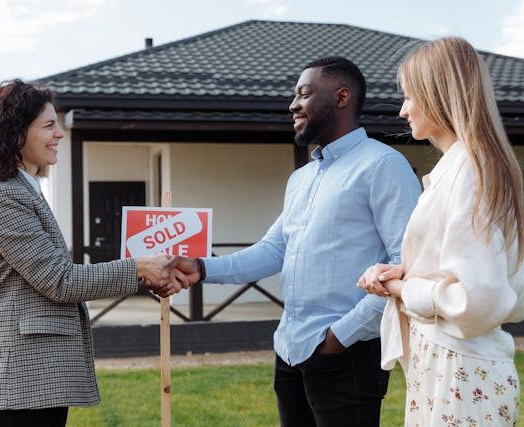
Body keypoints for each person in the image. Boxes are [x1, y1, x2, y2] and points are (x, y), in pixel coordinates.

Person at [164, 57, 422, 426]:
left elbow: (408, 266)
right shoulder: (301, 178)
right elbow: (273, 250)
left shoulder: (383, 167)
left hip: (346, 354)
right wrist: (202, 268)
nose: (292, 105)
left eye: (304, 94)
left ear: (342, 97)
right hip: (290, 350)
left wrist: (338, 337)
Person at [0, 79, 182, 427]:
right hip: (15, 385)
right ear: (16, 133)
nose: (59, 135)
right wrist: (139, 266)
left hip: (29, 382)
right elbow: (60, 281)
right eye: (49, 126)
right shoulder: (5, 196)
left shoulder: (22, 190)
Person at [357, 37, 524, 426]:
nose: (402, 110)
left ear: (439, 95)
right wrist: (405, 274)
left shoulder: (469, 171)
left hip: (460, 372)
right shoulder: (469, 166)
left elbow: (476, 298)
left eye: (410, 96)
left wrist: (401, 289)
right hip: (454, 365)